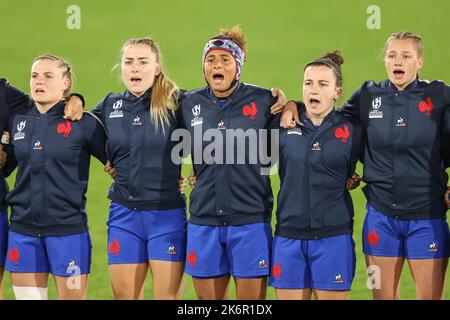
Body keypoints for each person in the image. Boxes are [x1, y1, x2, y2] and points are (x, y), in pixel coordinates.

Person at [282, 32, 450, 300]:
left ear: (419, 61)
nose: (398, 61)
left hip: (427, 216)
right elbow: (329, 115)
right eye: (392, 55)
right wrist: (294, 105)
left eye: (406, 56)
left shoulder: (440, 95)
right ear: (385, 59)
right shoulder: (369, 95)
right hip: (380, 218)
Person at [178, 26, 287, 300]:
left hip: (249, 220)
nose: (217, 65)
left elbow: (294, 137)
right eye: (211, 60)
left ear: (238, 66)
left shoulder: (265, 100)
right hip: (204, 220)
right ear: (203, 66)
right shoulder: (187, 102)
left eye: (225, 60)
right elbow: (158, 135)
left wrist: (292, 104)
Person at [2, 55, 107, 300]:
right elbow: (7, 163)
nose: (39, 82)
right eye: (35, 76)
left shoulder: (83, 123)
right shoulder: (18, 120)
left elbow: (116, 162)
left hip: (68, 232)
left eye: (48, 76)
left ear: (65, 83)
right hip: (23, 231)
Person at [269, 51, 364, 300]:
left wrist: (356, 178)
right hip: (289, 235)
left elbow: (384, 161)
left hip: (333, 237)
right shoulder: (282, 125)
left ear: (337, 92)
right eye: (308, 83)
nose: (314, 90)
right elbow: (244, 159)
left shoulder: (353, 128)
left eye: (323, 84)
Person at [0, 78, 84, 300]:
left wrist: (74, 98)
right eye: (35, 75)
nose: (39, 81)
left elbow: (45, 106)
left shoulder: (6, 96)